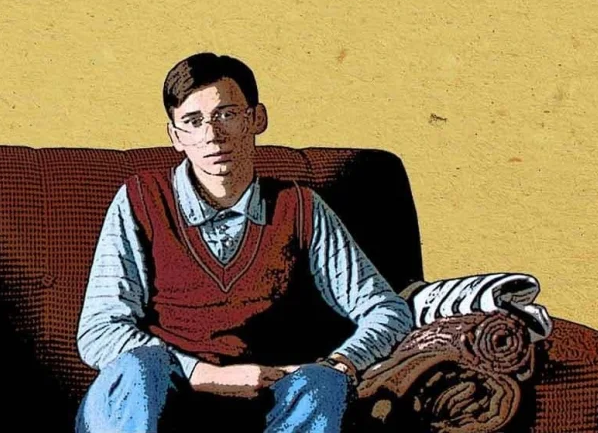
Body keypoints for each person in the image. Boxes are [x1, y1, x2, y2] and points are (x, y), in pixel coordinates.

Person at [76, 53, 414, 432]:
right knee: (142, 366)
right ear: (176, 137)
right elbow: (100, 330)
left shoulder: (300, 207)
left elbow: (388, 310)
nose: (212, 134)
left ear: (257, 119)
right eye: (193, 121)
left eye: (227, 114)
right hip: (154, 403)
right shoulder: (140, 199)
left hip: (263, 408)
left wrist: (342, 362)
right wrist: (205, 375)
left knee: (325, 384)